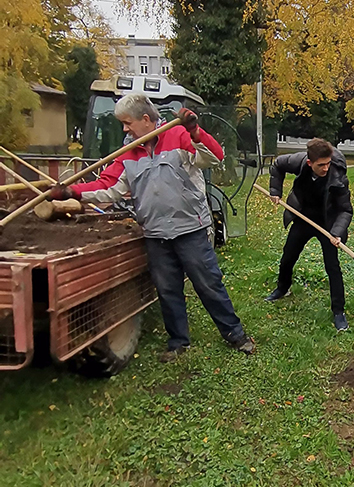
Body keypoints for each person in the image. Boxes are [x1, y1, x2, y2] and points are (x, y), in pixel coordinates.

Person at [50, 95, 254, 362]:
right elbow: (108, 188)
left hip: (190, 229)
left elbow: (214, 157)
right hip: (156, 234)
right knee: (167, 290)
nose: (125, 129)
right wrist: (70, 191)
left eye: (127, 123)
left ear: (146, 120)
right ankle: (179, 342)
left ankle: (235, 335)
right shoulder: (128, 153)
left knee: (208, 285)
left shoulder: (177, 135)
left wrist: (195, 131)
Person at [265, 138, 353, 332]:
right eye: (321, 165)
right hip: (303, 216)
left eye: (328, 163)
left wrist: (337, 233)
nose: (326, 168)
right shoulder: (298, 161)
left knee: (333, 267)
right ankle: (283, 288)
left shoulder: (338, 177)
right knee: (288, 256)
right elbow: (278, 165)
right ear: (309, 163)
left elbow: (346, 210)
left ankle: (338, 311)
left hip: (327, 223)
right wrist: (275, 190)